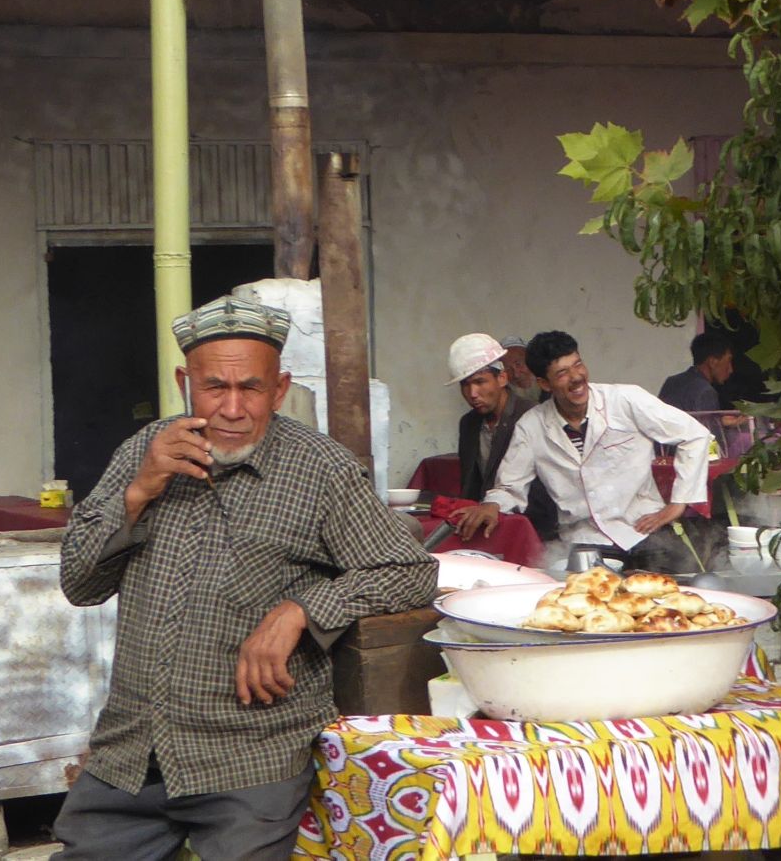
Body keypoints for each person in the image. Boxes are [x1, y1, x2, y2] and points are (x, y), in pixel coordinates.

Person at [53, 296, 438, 860]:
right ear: (186, 383)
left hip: (250, 761)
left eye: (251, 388)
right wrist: (138, 493)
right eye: (215, 387)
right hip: (133, 752)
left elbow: (410, 570)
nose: (232, 409)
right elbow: (79, 584)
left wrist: (301, 611)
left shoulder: (321, 470)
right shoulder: (145, 452)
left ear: (278, 390)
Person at [462, 330, 712, 573]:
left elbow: (694, 435)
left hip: (644, 529)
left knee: (666, 593)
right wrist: (492, 505)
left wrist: (678, 504)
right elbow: (510, 486)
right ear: (544, 384)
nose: (576, 377)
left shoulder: (625, 399)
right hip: (584, 540)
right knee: (586, 595)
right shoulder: (532, 426)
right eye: (562, 373)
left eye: (578, 364)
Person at [443, 333, 560, 541]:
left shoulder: (533, 417)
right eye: (465, 385)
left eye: (480, 382)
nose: (473, 393)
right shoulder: (468, 424)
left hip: (536, 531)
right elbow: (471, 486)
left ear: (502, 378)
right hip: (489, 527)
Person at [659, 331, 736, 415]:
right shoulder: (706, 392)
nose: (730, 370)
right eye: (728, 361)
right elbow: (706, 423)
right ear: (712, 362)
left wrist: (721, 421)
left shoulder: (671, 381)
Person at [499, 335, 546, 406]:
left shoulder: (553, 386)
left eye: (518, 364)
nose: (516, 374)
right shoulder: (502, 401)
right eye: (508, 369)